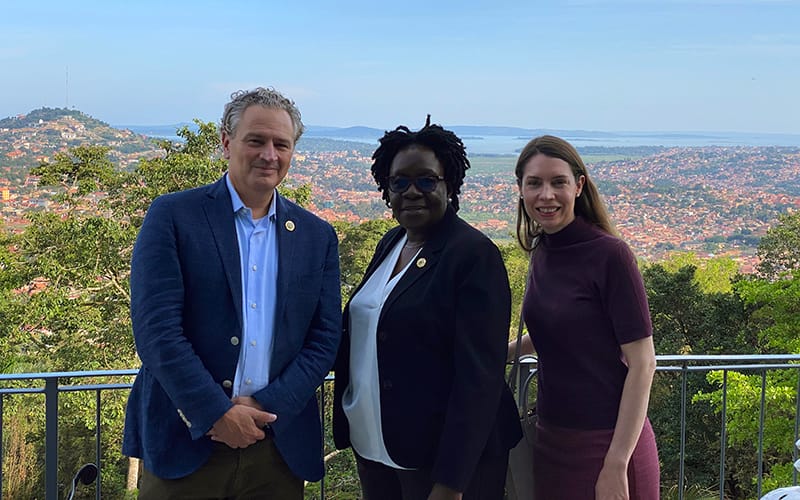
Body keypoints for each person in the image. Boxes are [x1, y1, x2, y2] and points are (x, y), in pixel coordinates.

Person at [122, 87, 342, 499]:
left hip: (277, 449)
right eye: (256, 141)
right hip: (186, 442)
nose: (269, 155)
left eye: (282, 144)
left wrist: (264, 409)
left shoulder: (317, 236)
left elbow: (324, 338)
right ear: (226, 142)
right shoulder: (173, 216)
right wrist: (216, 413)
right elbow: (157, 331)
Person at [332, 117, 522, 500]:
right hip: (376, 450)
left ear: (449, 185)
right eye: (399, 182)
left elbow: (479, 378)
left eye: (426, 180)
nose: (412, 191)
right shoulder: (391, 243)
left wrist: (452, 483)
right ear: (386, 190)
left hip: (441, 463)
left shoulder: (473, 254)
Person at [508, 135, 660, 499]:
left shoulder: (610, 256)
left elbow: (643, 363)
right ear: (521, 189)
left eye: (558, 182)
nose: (546, 195)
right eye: (535, 183)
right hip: (551, 438)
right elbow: (558, 332)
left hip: (608, 443)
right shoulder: (542, 250)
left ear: (578, 186)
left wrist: (616, 463)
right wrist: (502, 351)